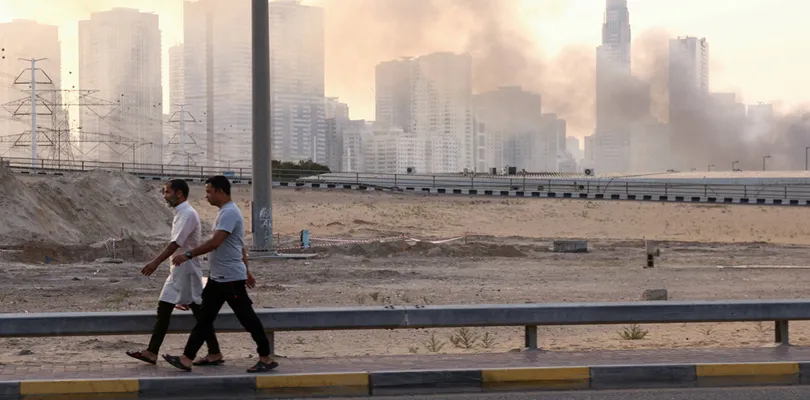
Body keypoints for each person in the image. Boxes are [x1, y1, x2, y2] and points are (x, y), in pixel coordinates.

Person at [162, 175, 278, 373]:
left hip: (230, 280)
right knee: (204, 319)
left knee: (247, 318)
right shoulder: (225, 212)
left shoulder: (229, 213)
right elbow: (239, 246)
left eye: (209, 192)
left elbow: (215, 243)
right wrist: (247, 271)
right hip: (218, 278)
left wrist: (188, 254)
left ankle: (266, 358)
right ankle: (191, 358)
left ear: (220, 191)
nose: (206, 196)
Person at [126, 179, 226, 367]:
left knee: (184, 310)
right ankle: (154, 352)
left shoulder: (187, 214)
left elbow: (175, 244)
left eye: (167, 192)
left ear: (178, 193)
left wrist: (155, 262)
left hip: (186, 270)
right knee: (180, 310)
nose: (164, 196)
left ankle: (211, 352)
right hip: (181, 270)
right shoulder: (182, 213)